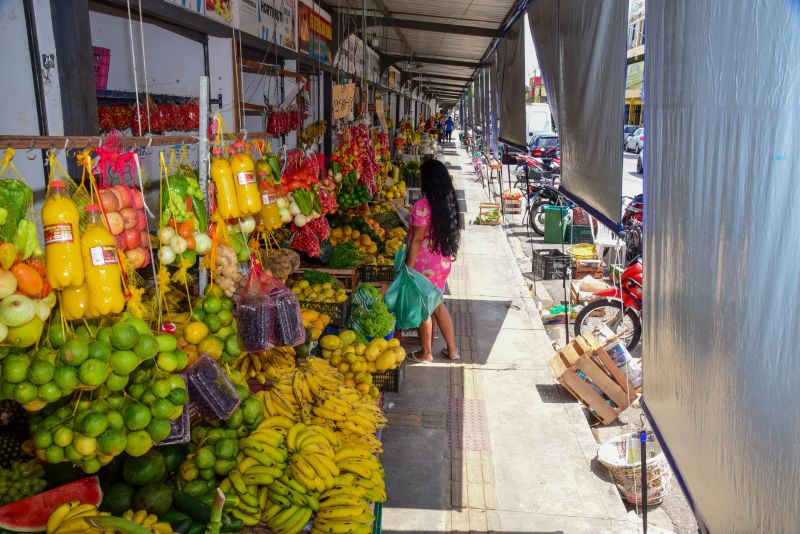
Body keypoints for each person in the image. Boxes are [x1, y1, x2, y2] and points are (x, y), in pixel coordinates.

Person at [406, 159, 462, 362]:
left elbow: (418, 238)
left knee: (424, 307)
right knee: (438, 304)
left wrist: (408, 267)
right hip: (442, 261)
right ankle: (453, 350)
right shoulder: (448, 203)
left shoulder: (422, 205)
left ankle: (426, 353)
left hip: (424, 264)